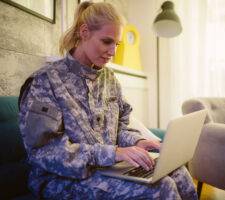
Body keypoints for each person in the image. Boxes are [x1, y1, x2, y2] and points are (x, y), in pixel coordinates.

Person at [19, 1, 198, 199]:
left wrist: (138, 141)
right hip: (60, 180)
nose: (113, 52)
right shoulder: (45, 82)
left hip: (106, 168)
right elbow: (46, 152)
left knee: (179, 173)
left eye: (117, 44)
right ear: (84, 32)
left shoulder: (110, 80)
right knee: (161, 187)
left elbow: (120, 127)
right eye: (106, 41)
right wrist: (114, 153)